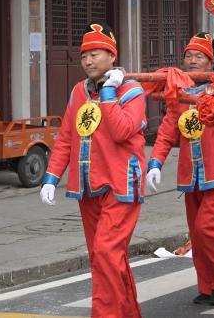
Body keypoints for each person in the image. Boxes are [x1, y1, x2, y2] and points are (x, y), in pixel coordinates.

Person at [39, 22, 146, 318]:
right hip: (87, 185)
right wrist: (51, 177)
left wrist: (110, 93)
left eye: (96, 54)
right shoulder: (78, 91)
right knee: (105, 257)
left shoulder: (132, 90)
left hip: (121, 184)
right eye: (84, 55)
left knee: (106, 254)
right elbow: (66, 138)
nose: (87, 61)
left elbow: (123, 131)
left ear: (112, 56)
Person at [145, 33, 214, 306]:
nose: (192, 61)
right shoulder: (179, 92)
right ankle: (207, 285)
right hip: (191, 174)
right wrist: (155, 162)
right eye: (188, 57)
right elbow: (168, 130)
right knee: (196, 232)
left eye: (199, 57)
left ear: (209, 62)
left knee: (209, 227)